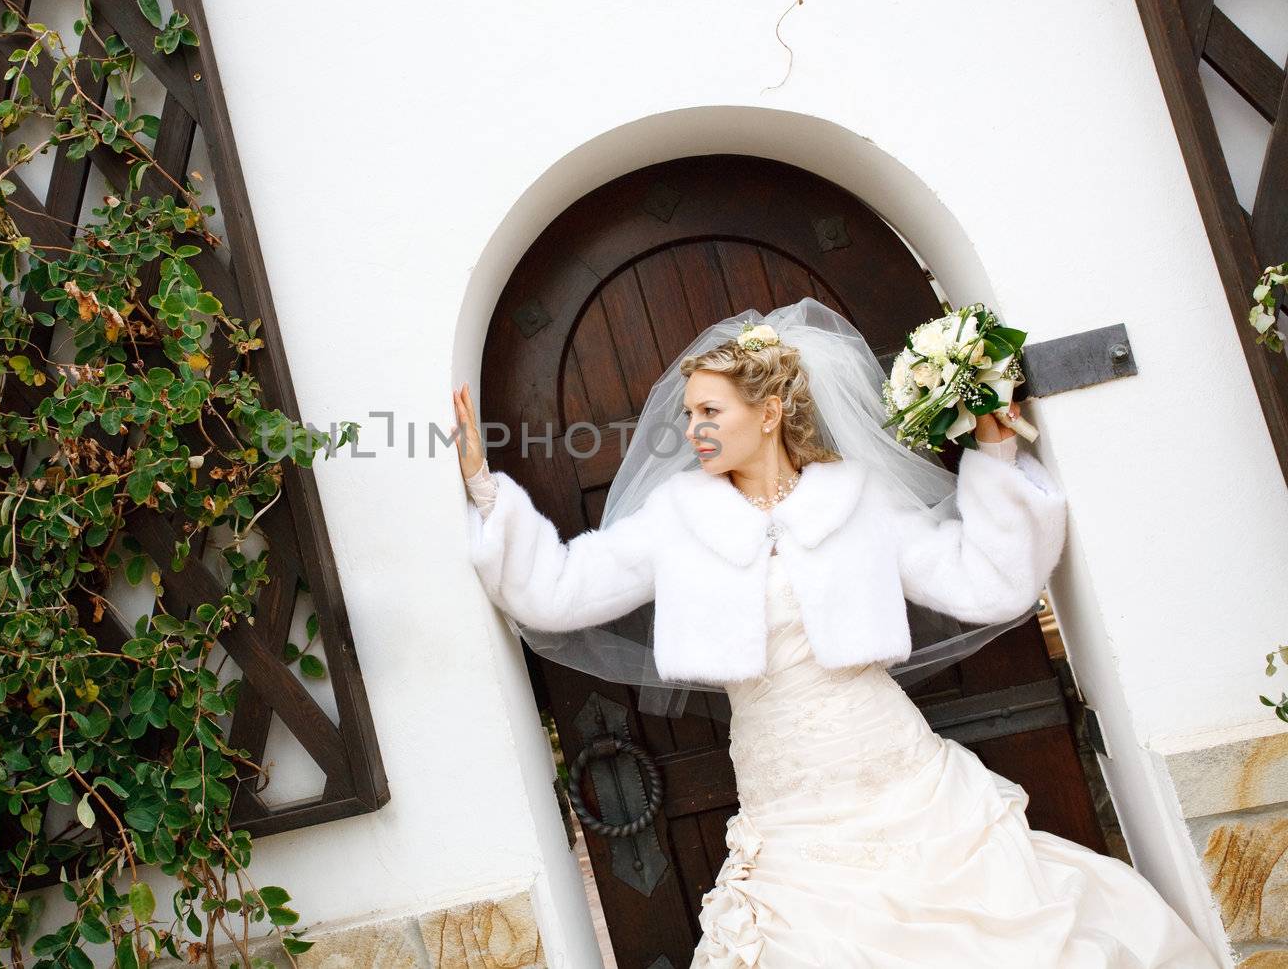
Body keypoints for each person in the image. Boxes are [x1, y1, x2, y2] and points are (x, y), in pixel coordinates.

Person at [448, 307, 1222, 969]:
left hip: (901, 769)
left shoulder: (855, 500)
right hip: (787, 794)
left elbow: (983, 581)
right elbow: (558, 589)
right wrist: (488, 493)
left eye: (709, 411)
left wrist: (994, 455)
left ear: (771, 412)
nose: (691, 429)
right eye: (689, 414)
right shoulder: (678, 519)